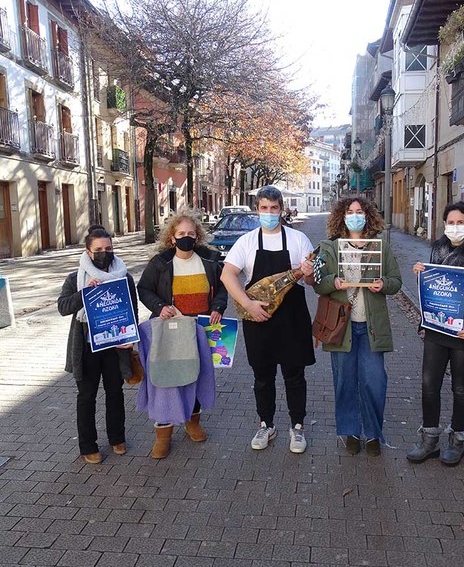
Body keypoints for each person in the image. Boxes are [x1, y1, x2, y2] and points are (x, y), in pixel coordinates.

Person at [220, 185, 315, 453]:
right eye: (264, 208)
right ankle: (266, 424)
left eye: (274, 209)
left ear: (281, 210)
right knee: (262, 375)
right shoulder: (247, 241)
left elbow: (310, 281)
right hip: (258, 317)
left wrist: (308, 272)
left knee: (294, 375)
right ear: (257, 210)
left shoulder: (298, 239)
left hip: (292, 317)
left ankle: (297, 427)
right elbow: (228, 275)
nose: (270, 213)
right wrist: (248, 304)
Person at [407, 201, 464, 466]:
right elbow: (435, 289)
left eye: (460, 222)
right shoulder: (438, 248)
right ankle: (429, 439)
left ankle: (457, 441)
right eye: (451, 222)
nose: (455, 227)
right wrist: (421, 276)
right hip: (438, 328)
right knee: (429, 384)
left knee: (460, 387)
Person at [313, 196, 402, 456]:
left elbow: (396, 281)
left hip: (372, 327)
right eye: (350, 211)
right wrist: (333, 281)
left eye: (359, 211)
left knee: (374, 381)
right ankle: (349, 430)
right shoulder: (329, 247)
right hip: (342, 328)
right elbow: (318, 284)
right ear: (342, 216)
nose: (355, 215)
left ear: (367, 215)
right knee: (345, 382)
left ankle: (373, 433)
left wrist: (383, 284)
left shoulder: (380, 247)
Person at [137, 211, 228, 458]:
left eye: (190, 233)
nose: (186, 238)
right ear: (171, 238)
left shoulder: (210, 260)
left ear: (197, 235)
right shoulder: (160, 263)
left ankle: (193, 422)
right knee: (165, 380)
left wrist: (218, 307)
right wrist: (159, 307)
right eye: (181, 234)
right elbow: (144, 289)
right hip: (169, 331)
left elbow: (222, 289)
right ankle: (163, 435)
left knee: (194, 377)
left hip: (199, 330)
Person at [57, 225, 138, 464]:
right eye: (99, 249)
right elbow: (62, 307)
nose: (105, 253)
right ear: (88, 252)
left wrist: (130, 338)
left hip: (114, 346)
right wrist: (84, 293)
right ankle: (88, 446)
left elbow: (131, 309)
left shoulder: (124, 276)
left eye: (109, 248)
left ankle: (117, 438)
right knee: (87, 395)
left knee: (115, 392)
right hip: (86, 347)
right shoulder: (76, 278)